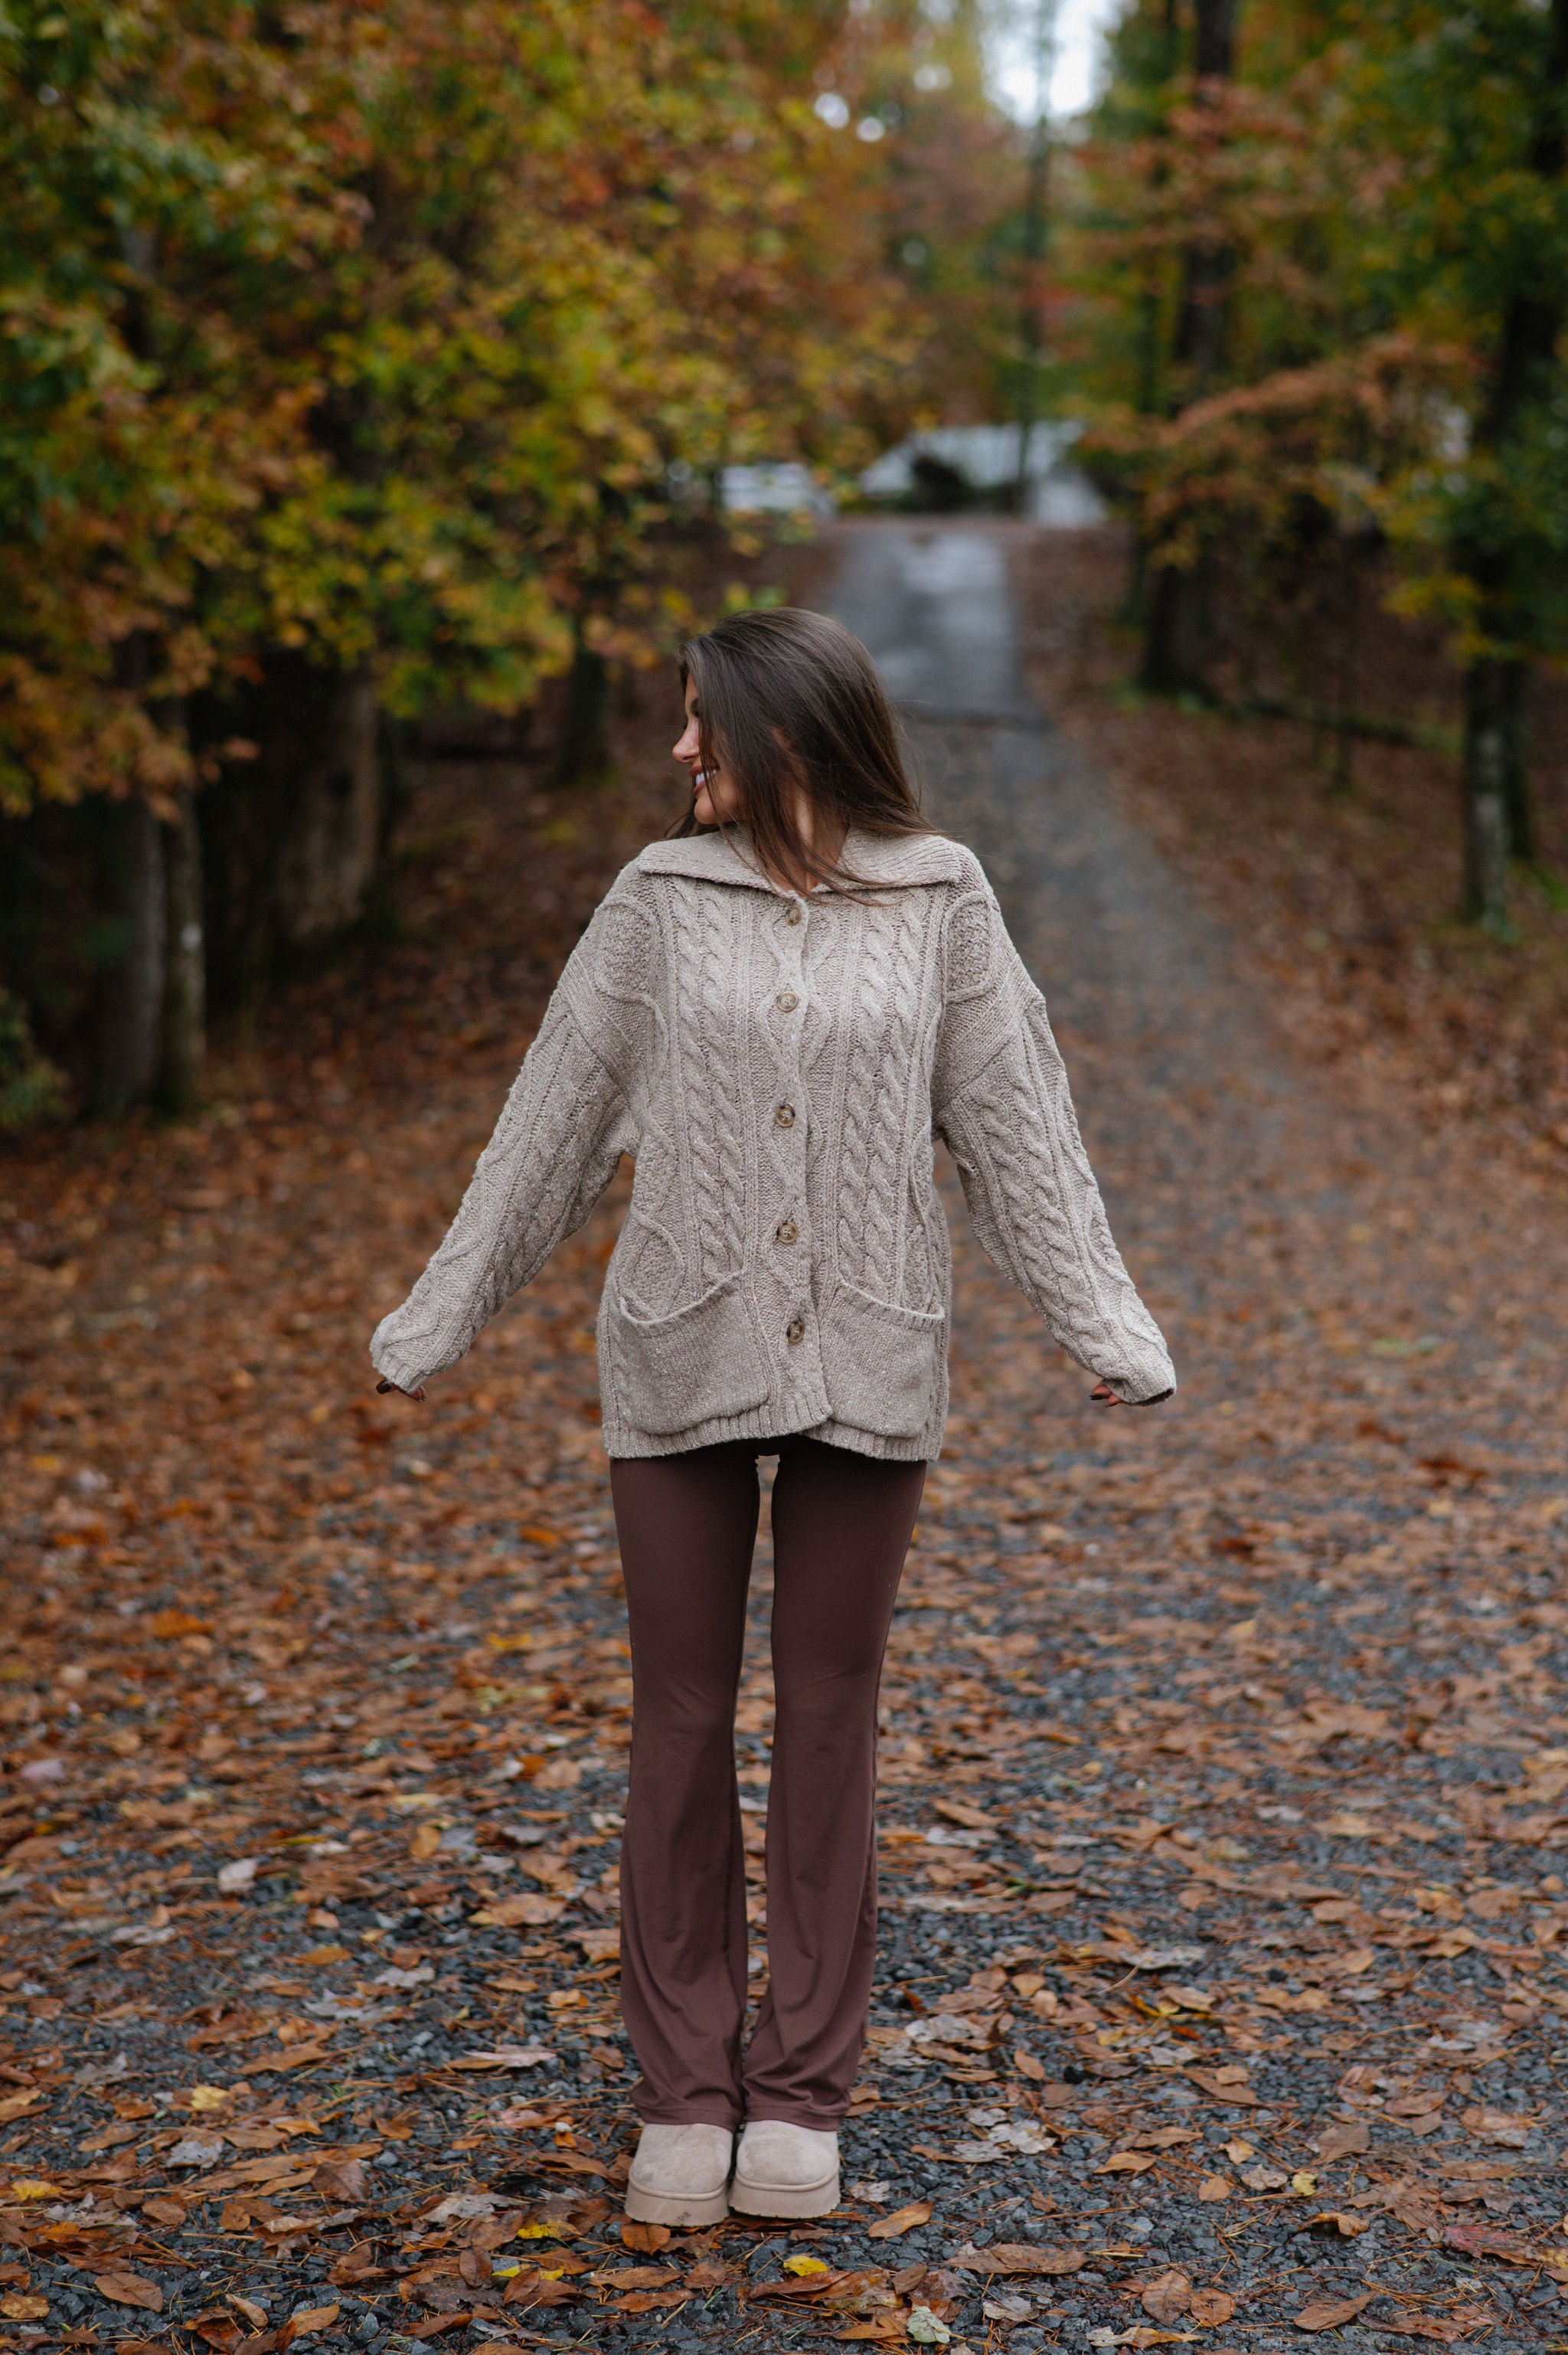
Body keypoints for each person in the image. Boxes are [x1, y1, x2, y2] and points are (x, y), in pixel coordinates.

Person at [369, 606, 1174, 2226]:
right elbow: (553, 1118)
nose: (678, 750)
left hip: (871, 1351)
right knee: (679, 1718)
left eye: (700, 723)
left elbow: (1017, 1119)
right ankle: (682, 2089)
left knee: (828, 1714)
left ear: (789, 731)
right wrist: (442, 1308)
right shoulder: (656, 899)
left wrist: (1101, 1317)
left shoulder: (941, 896)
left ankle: (800, 2089)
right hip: (676, 1346)